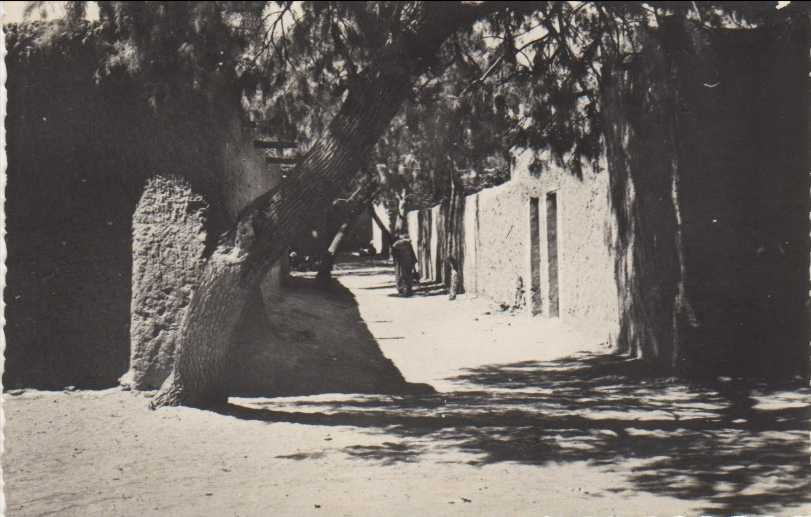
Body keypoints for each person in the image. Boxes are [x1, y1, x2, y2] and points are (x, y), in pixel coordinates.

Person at [391, 231, 418, 296]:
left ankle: (408, 289)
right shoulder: (398, 244)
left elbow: (412, 253)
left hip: (407, 262)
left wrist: (414, 262)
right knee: (401, 276)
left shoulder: (407, 245)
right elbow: (394, 252)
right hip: (402, 263)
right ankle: (402, 289)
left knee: (407, 276)